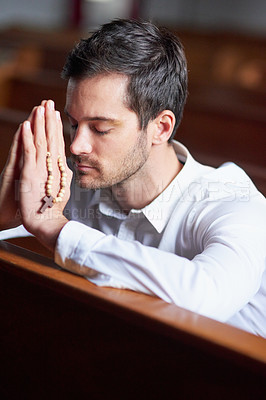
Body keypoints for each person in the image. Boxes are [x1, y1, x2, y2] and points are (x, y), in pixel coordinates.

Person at [0, 19, 265, 337]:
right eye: (74, 123)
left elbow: (206, 295)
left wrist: (56, 229)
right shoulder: (80, 181)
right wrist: (3, 214)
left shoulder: (234, 203)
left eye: (101, 128)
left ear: (161, 128)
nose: (76, 146)